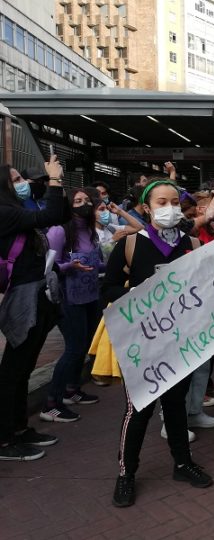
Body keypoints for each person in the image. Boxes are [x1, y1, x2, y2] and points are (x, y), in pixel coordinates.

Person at [102, 180, 214, 507]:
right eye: (161, 202)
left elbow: (206, 283)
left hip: (180, 341)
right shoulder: (132, 244)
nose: (170, 208)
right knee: (140, 410)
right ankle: (126, 474)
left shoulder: (191, 243)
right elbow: (107, 291)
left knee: (176, 404)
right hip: (144, 345)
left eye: (175, 201)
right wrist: (133, 294)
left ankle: (182, 463)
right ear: (147, 208)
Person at [0, 158, 67, 461]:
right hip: (20, 298)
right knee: (12, 369)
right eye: (15, 180)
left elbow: (59, 214)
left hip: (36, 293)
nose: (22, 184)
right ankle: (4, 439)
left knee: (24, 366)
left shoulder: (20, 211)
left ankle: (19, 427)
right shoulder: (4, 214)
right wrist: (53, 181)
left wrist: (58, 184)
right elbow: (51, 214)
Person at [41, 188, 105, 422]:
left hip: (90, 296)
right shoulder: (59, 231)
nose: (83, 204)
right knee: (73, 348)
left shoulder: (89, 230)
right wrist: (71, 266)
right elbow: (50, 266)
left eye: (87, 200)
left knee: (84, 345)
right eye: (77, 201)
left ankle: (71, 388)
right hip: (68, 298)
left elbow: (97, 263)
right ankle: (51, 403)